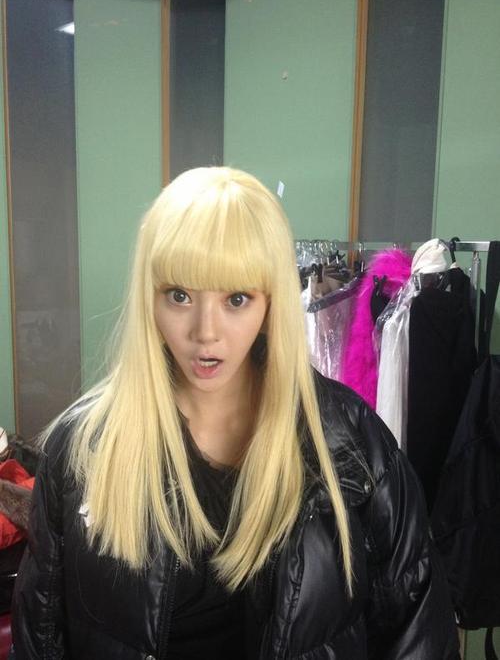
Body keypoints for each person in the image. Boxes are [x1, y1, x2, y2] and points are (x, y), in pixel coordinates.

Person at [11, 167, 459, 659]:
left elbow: (419, 632)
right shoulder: (82, 450)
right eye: (179, 296)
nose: (206, 332)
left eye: (236, 299)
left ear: (270, 304)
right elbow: (41, 637)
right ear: (148, 299)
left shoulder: (352, 446)